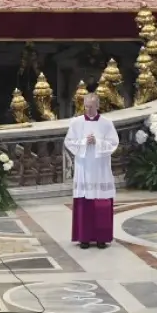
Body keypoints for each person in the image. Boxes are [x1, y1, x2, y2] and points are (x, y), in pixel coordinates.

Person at [63, 93, 119, 249]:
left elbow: (114, 143)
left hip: (101, 169)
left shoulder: (107, 123)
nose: (88, 109)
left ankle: (102, 238)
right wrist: (83, 142)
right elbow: (69, 142)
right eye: (86, 106)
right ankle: (84, 238)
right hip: (84, 167)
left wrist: (98, 142)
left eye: (91, 106)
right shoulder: (76, 123)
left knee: (102, 202)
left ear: (98, 106)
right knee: (84, 202)